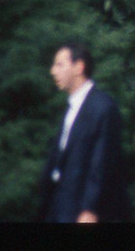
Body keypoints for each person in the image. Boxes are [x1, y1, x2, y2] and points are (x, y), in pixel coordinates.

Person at [38, 42, 129, 222]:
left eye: (59, 65)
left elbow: (102, 163)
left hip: (83, 211)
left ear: (79, 67)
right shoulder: (71, 106)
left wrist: (89, 208)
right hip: (59, 207)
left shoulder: (103, 108)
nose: (52, 71)